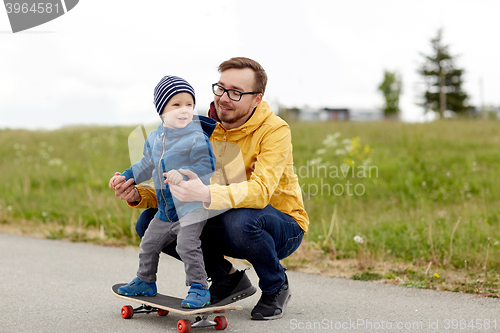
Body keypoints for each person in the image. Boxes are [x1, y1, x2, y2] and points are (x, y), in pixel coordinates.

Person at [112, 57, 309, 320]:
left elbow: (260, 191)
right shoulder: (200, 128)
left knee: (238, 219)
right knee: (149, 223)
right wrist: (140, 195)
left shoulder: (275, 130)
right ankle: (226, 278)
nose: (224, 98)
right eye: (221, 88)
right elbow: (177, 184)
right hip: (218, 211)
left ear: (256, 99)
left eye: (236, 92)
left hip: (280, 224)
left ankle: (275, 285)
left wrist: (205, 193)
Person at [109, 75, 217, 309]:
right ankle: (146, 282)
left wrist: (185, 172)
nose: (184, 110)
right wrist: (126, 176)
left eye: (189, 104)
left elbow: (207, 167)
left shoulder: (196, 137)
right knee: (148, 243)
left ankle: (199, 288)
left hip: (191, 208)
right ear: (162, 110)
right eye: (176, 105)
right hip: (166, 210)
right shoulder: (156, 138)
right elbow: (146, 164)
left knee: (187, 246)